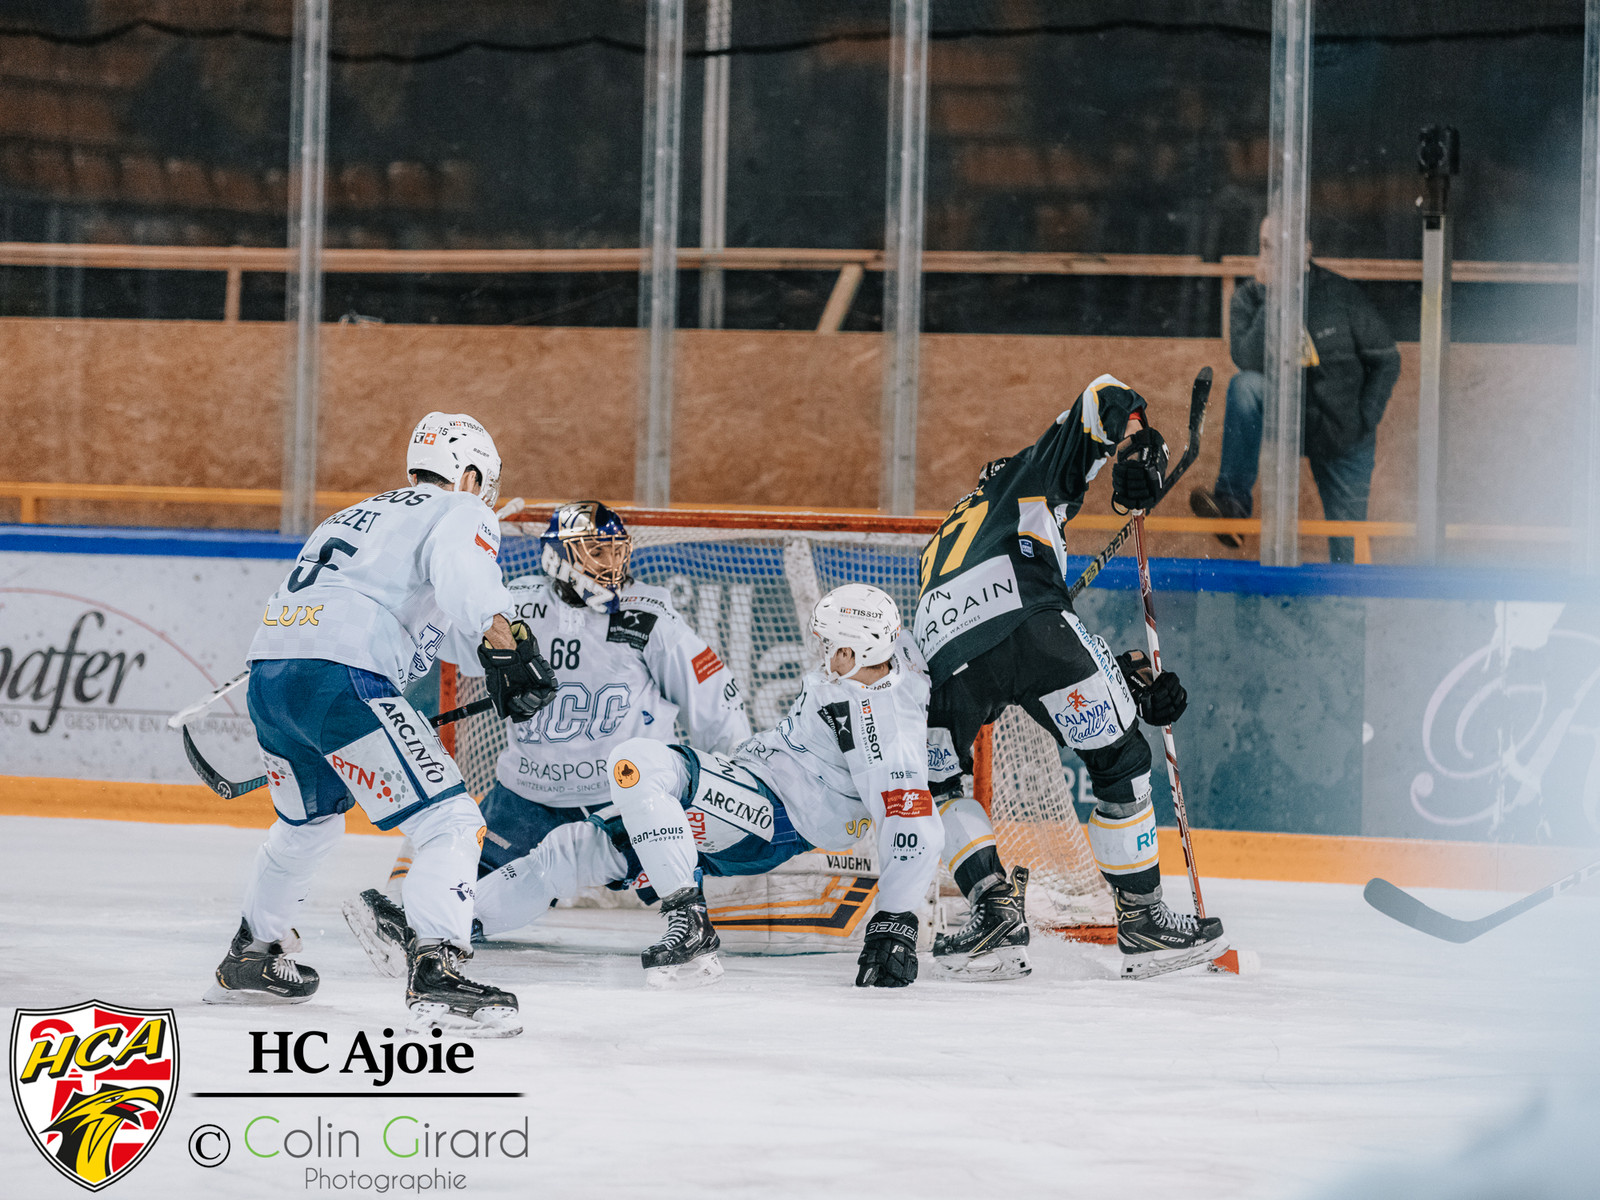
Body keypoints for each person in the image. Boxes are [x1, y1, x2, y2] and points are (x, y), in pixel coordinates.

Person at [354, 584, 945, 990]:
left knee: (636, 763)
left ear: (853, 650)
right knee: (568, 852)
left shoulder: (878, 716)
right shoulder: (882, 664)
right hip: (757, 793)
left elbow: (914, 823)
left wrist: (895, 921)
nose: (820, 652)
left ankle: (689, 922)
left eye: (828, 644)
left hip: (771, 813)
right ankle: (432, 930)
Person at [204, 412, 557, 1036]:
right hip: (342, 675)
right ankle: (438, 971)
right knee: (450, 821)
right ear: (470, 475)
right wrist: (509, 646)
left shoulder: (354, 515)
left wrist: (491, 655)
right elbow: (469, 584)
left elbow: (429, 620)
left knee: (308, 824)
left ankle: (253, 953)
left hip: (272, 676)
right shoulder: (460, 509)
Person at [344, 501, 752, 974]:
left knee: (676, 878)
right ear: (558, 556)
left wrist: (732, 790)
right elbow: (438, 634)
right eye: (595, 551)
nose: (611, 564)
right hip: (525, 798)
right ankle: (435, 928)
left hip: (620, 799)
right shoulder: (515, 605)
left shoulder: (649, 618)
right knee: (454, 884)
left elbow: (717, 707)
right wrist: (432, 578)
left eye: (615, 550)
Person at [914, 374, 1226, 980]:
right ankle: (1143, 919)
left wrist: (1124, 688)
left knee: (942, 785)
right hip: (1032, 621)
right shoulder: (1028, 472)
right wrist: (1142, 446)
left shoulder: (945, 539)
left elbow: (1005, 665)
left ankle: (992, 914)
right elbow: (1107, 393)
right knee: (1119, 759)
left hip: (944, 653)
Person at [1190, 215, 1402, 563]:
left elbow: (1386, 360)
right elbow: (1247, 359)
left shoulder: (1339, 294)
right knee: (1245, 387)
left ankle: (1344, 597)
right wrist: (1273, 297)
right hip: (1288, 420)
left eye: (1283, 247)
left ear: (1306, 250)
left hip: (1343, 432)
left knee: (1348, 549)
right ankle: (1232, 505)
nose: (1274, 255)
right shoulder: (1249, 298)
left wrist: (1364, 420)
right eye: (1266, 246)